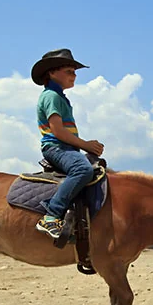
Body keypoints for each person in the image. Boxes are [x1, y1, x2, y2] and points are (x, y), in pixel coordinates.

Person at [31, 48, 104, 239]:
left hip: (66, 147)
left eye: (75, 72)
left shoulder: (60, 97)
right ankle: (51, 216)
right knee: (82, 169)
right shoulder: (51, 97)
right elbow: (58, 131)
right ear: (52, 72)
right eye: (69, 72)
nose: (74, 76)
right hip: (56, 148)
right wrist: (86, 145)